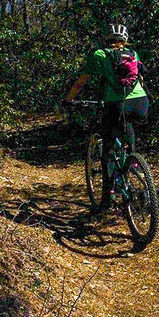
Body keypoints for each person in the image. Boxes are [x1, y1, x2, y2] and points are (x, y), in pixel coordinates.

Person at [64, 23, 149, 196]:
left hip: (116, 105)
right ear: (125, 40)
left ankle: (107, 195)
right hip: (141, 102)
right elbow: (139, 78)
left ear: (106, 39)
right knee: (129, 122)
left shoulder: (99, 55)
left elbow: (83, 80)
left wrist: (69, 99)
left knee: (108, 148)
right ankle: (133, 161)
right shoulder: (133, 54)